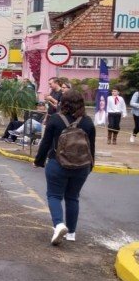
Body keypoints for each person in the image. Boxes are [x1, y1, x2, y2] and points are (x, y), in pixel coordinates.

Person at [34, 90, 95, 245]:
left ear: (63, 102)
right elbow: (91, 148)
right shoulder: (88, 122)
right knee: (73, 197)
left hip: (57, 163)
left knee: (54, 196)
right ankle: (72, 233)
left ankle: (59, 224)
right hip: (82, 166)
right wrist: (90, 166)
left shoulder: (55, 119)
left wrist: (38, 161)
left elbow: (46, 143)